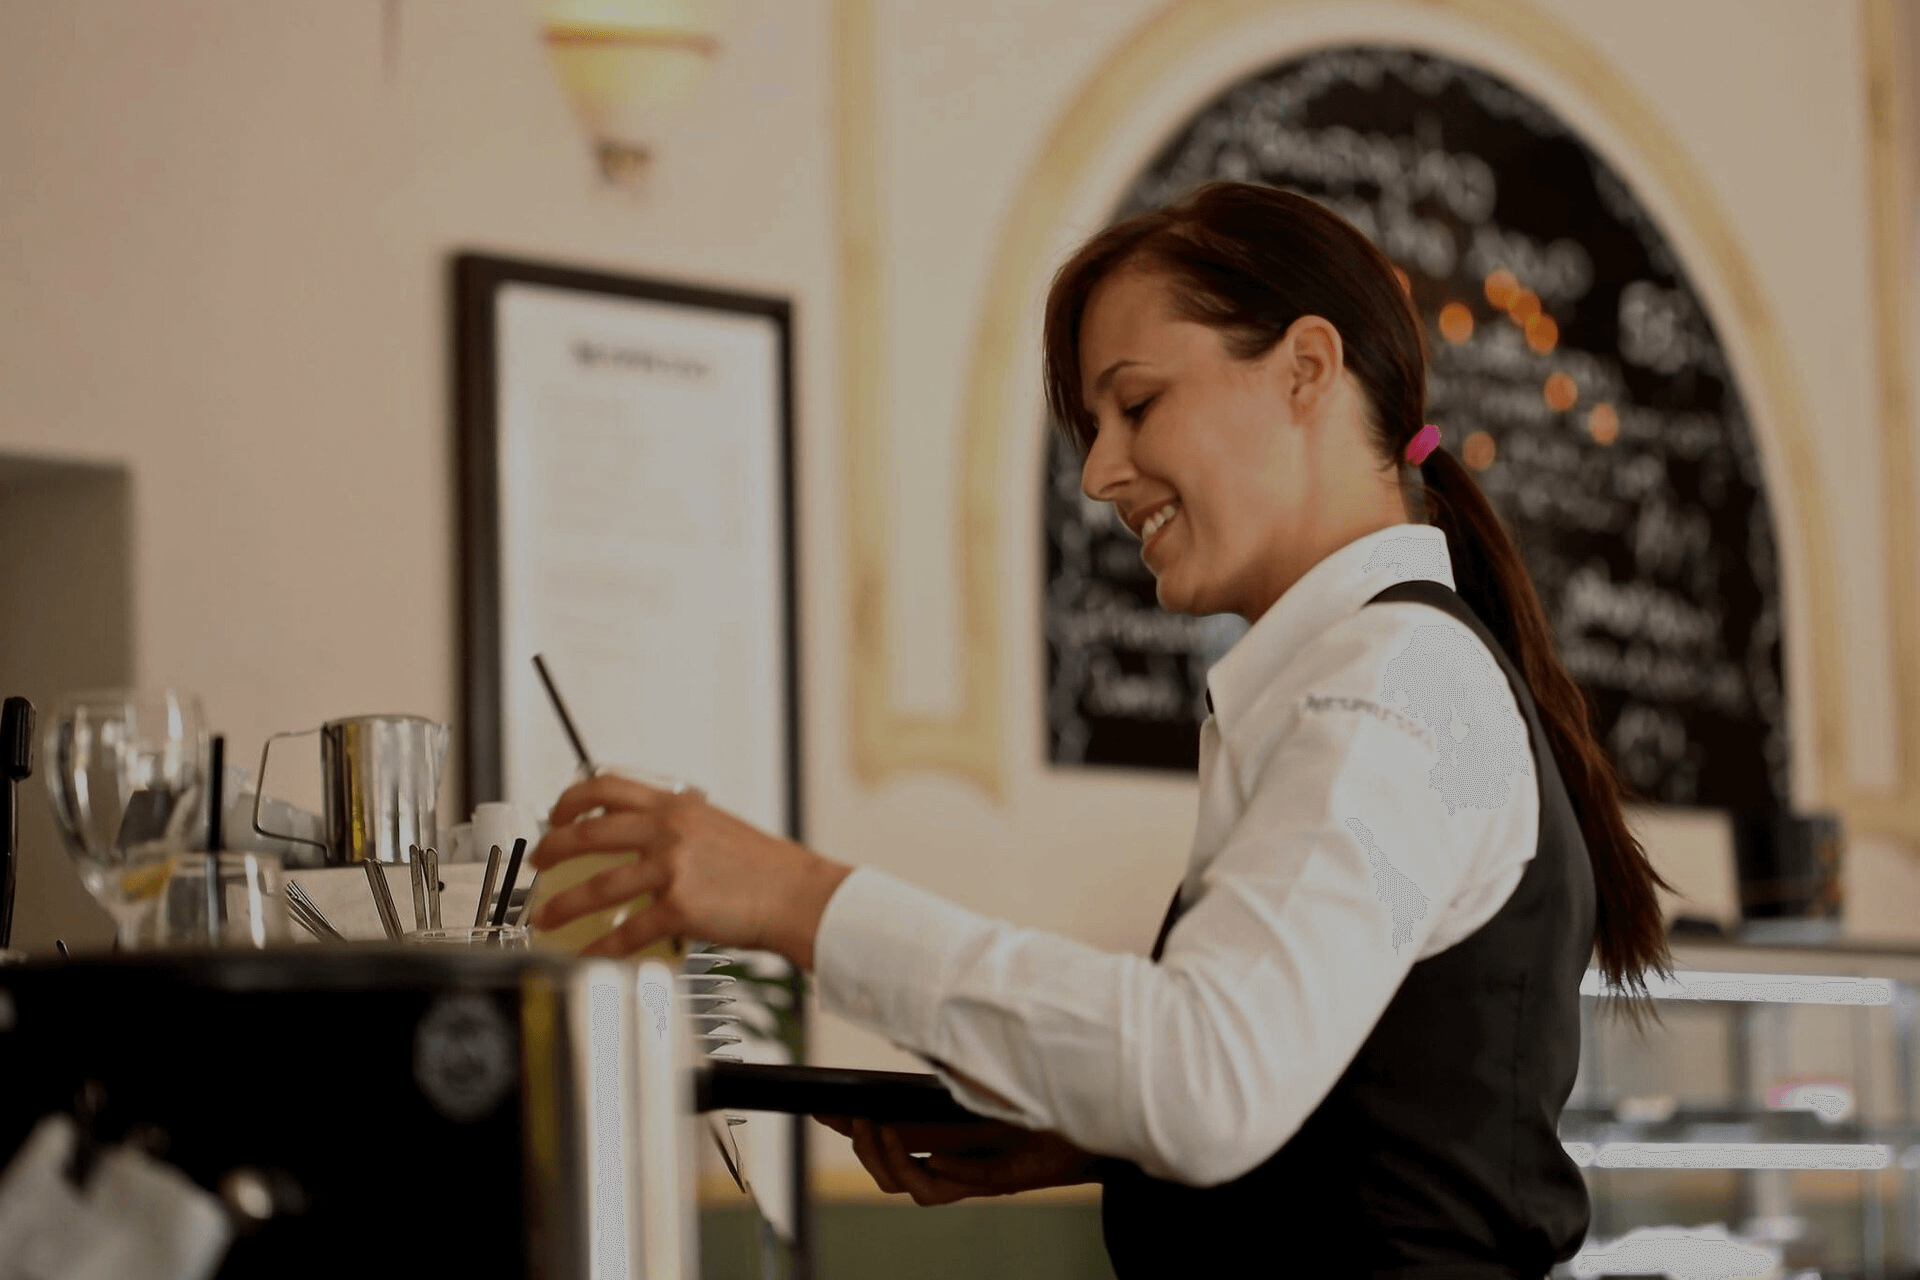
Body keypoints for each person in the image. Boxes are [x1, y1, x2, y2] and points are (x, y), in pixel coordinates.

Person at [527, 181, 1675, 1277]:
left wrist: (791, 896)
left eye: (1135, 404)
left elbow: (1207, 1073)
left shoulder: (1402, 679)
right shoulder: (1375, 671)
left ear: (1306, 369)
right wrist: (1109, 1143)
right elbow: (1349, 1101)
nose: (1098, 473)